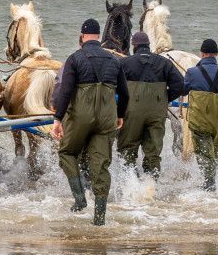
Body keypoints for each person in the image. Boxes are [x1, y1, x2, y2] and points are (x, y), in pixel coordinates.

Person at [50, 18, 129, 226]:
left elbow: (65, 92)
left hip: (81, 117)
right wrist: (120, 115)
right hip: (106, 118)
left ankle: (79, 199)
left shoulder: (75, 59)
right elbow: (125, 94)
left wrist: (58, 119)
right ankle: (99, 219)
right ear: (99, 36)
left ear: (82, 36)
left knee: (67, 152)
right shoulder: (114, 60)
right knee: (100, 166)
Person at [117, 30, 186, 177]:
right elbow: (181, 85)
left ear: (133, 46)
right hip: (157, 112)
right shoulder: (165, 63)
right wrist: (164, 99)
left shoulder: (124, 63)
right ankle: (150, 186)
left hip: (132, 112)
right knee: (153, 152)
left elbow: (112, 86)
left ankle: (131, 184)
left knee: (127, 149)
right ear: (148, 45)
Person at [183, 39, 218, 191]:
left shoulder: (192, 72)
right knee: (215, 153)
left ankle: (209, 187)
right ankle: (211, 185)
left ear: (201, 54)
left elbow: (182, 90)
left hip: (200, 121)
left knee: (204, 155)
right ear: (217, 54)